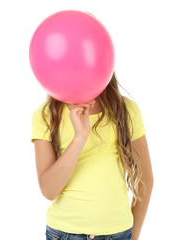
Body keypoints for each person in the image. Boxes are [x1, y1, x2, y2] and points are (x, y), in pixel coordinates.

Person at [31, 72, 154, 240]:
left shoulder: (126, 111)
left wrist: (134, 235)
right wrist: (79, 138)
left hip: (118, 233)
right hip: (64, 233)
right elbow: (48, 190)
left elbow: (145, 179)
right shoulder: (46, 116)